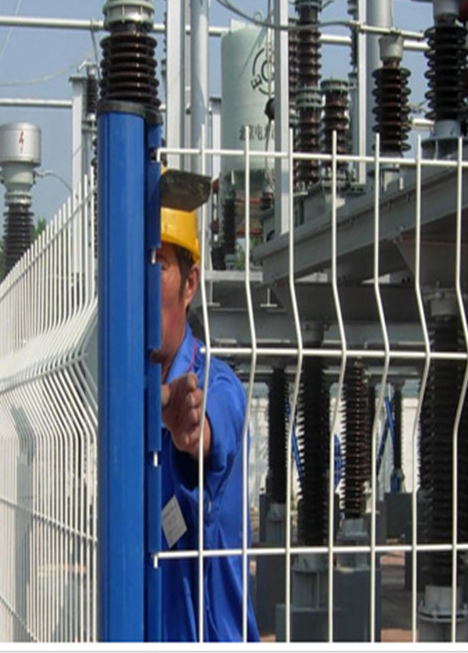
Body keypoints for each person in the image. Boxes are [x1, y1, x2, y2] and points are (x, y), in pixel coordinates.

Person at [154, 201, 260, 642]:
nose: (142, 282)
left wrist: (194, 433)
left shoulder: (217, 384)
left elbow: (215, 428)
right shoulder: (125, 398)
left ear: (190, 283)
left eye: (159, 264)